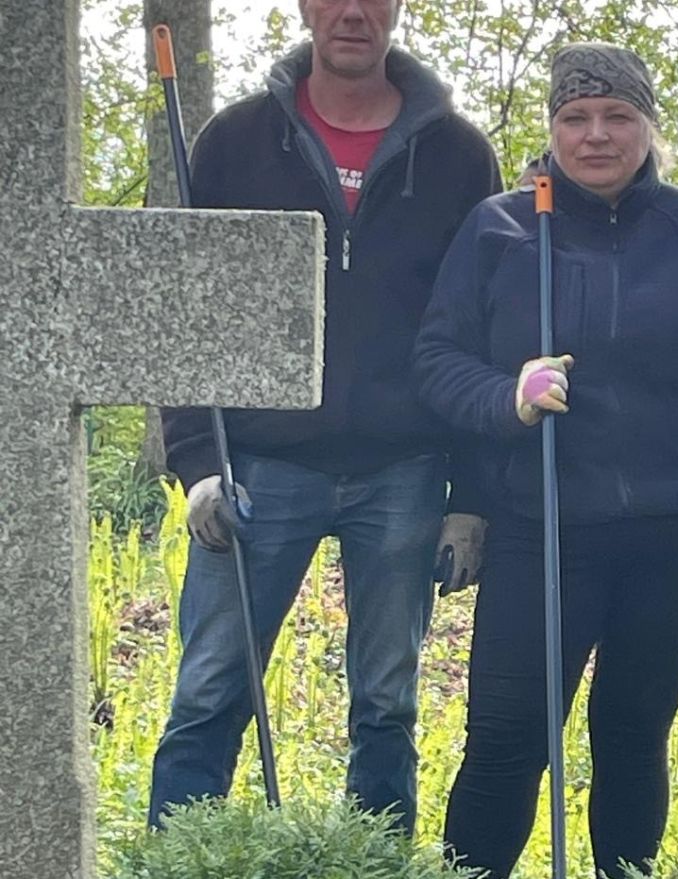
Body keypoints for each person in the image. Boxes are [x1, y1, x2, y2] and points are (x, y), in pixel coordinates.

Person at [414, 43, 678, 879]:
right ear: (551, 127)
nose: (595, 134)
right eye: (575, 117)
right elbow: (437, 358)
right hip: (540, 519)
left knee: (631, 732)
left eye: (617, 116)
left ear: (647, 126)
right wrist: (507, 395)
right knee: (506, 734)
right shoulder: (503, 227)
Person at [150, 0, 500, 833]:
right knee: (210, 690)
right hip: (256, 465)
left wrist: (472, 495)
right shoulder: (235, 141)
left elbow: (486, 325)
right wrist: (199, 466)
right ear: (307, 7)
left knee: (387, 701)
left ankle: (373, 859)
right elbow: (184, 308)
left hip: (404, 468)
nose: (352, 11)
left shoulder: (458, 154)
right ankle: (177, 857)